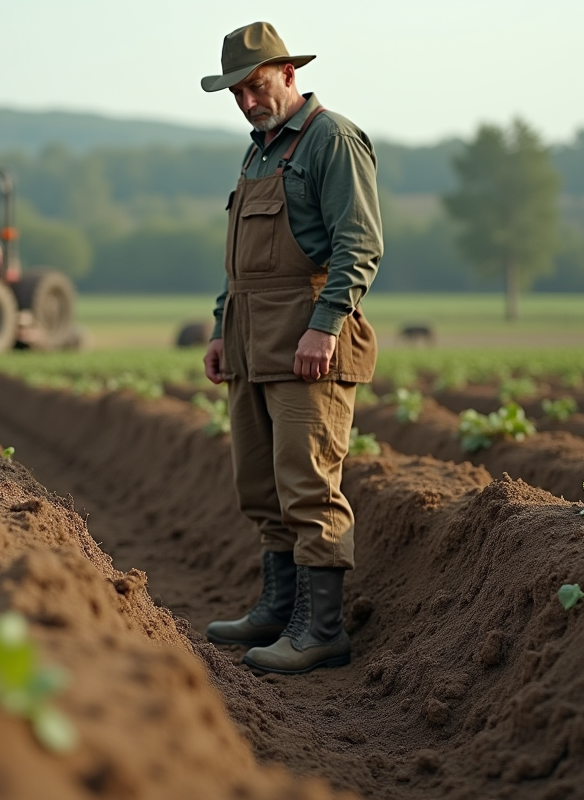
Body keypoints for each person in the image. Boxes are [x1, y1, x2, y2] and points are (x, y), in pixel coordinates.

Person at [199, 22, 383, 675]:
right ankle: (278, 608)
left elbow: (359, 245)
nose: (248, 100)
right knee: (260, 486)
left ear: (286, 73)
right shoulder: (258, 153)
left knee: (308, 485)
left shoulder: (331, 140)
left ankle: (321, 628)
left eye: (256, 85)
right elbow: (240, 265)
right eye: (236, 92)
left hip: (308, 341)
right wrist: (223, 329)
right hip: (252, 341)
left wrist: (326, 324)